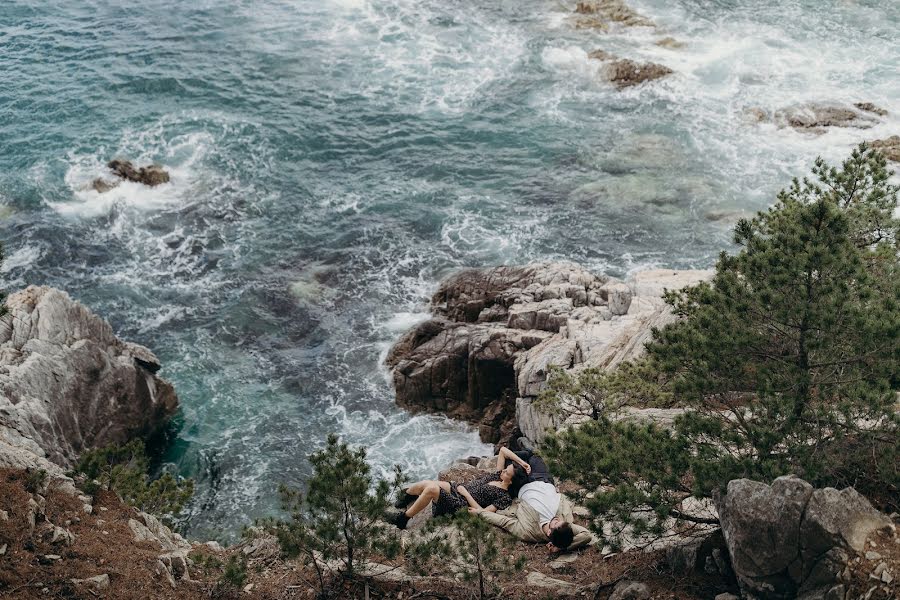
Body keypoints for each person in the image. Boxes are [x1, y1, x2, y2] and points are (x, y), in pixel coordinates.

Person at [472, 446, 592, 552]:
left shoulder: (528, 531)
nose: (557, 518)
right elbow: (586, 535)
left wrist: (479, 513)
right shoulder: (565, 528)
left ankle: (523, 454)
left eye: (556, 522)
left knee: (509, 461)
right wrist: (563, 547)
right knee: (534, 456)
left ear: (549, 533)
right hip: (543, 479)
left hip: (521, 486)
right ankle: (526, 451)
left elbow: (503, 521)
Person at [388, 448, 528, 530]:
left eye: (506, 472)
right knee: (427, 482)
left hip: (460, 505)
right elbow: (503, 450)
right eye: (505, 469)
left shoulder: (504, 497)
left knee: (432, 489)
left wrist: (467, 495)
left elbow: (484, 512)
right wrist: (523, 463)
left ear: (511, 481)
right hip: (457, 490)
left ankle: (403, 518)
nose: (502, 471)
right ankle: (407, 496)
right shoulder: (498, 475)